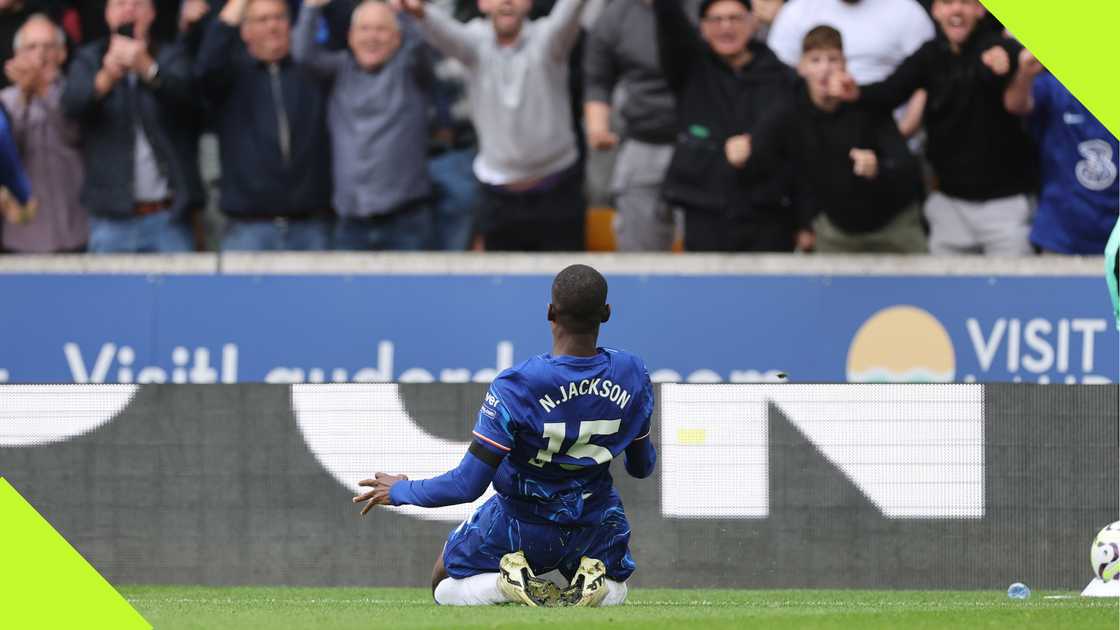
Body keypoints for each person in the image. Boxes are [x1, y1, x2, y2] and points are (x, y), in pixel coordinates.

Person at [353, 264, 656, 608]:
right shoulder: (632, 373)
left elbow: (466, 485)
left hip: (522, 522)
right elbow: (642, 466)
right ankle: (593, 580)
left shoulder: (518, 384)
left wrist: (400, 490)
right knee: (618, 586)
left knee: (442, 581)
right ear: (606, 313)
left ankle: (505, 584)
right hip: (596, 521)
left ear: (550, 312)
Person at [829, 0, 1037, 256]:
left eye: (965, 2)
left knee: (1013, 295)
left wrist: (1008, 57)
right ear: (936, 11)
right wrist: (856, 93)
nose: (956, 10)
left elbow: (1014, 59)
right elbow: (890, 91)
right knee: (946, 295)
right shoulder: (929, 56)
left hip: (1004, 206)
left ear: (980, 9)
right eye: (947, 3)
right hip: (948, 206)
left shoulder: (995, 46)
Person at [393, 0, 588, 251]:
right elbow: (445, 33)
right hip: (498, 199)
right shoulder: (474, 44)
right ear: (482, 4)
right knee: (504, 286)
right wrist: (420, 11)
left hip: (558, 192)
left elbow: (568, 14)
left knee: (566, 286)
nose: (506, 1)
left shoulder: (549, 40)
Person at [756, 25, 924, 253]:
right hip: (835, 229)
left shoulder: (866, 103)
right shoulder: (790, 113)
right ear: (801, 67)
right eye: (815, 60)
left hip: (893, 224)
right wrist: (802, 223)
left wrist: (878, 168)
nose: (825, 69)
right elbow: (787, 172)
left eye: (832, 59)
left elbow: (906, 168)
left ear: (845, 64)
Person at [653, 0, 801, 252]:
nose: (726, 27)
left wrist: (804, 220)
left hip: (769, 212)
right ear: (702, 27)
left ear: (753, 22)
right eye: (716, 20)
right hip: (706, 210)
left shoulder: (784, 78)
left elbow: (798, 148)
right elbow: (670, 23)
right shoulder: (691, 67)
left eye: (735, 18)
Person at [61, 0, 201, 253]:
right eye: (120, 4)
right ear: (107, 15)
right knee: (109, 293)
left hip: (168, 216)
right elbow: (71, 107)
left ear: (152, 13)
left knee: (180, 292)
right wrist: (105, 79)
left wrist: (149, 69)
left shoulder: (171, 56)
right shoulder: (89, 58)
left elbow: (191, 103)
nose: (128, 10)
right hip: (110, 219)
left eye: (137, 4)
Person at [293, 0, 433, 251]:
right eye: (364, 29)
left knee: (409, 292)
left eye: (381, 29)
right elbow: (303, 55)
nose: (372, 37)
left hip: (405, 220)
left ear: (397, 37)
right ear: (350, 36)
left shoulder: (411, 72)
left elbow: (420, 45)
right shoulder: (338, 70)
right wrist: (312, 7)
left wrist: (406, 11)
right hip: (351, 222)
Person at [195, 0, 332, 251]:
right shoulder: (231, 77)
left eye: (279, 18)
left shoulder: (312, 71)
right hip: (249, 228)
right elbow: (207, 65)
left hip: (311, 226)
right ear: (244, 30)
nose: (273, 26)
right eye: (262, 19)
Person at [583, 0, 678, 251]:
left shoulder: (705, 9)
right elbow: (597, 80)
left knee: (708, 251)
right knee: (639, 251)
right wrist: (597, 128)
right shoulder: (614, 16)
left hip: (701, 141)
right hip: (641, 140)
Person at [1003, 49, 1118, 255]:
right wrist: (1025, 73)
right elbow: (1016, 104)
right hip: (1061, 231)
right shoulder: (1056, 86)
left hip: (1114, 231)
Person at [1, 13, 88, 252]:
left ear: (62, 53)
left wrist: (41, 91)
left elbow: (75, 134)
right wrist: (24, 97)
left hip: (77, 230)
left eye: (49, 46)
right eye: (31, 47)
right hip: (23, 236)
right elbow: (8, 155)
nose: (40, 55)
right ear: (17, 55)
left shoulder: (78, 93)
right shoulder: (5, 102)